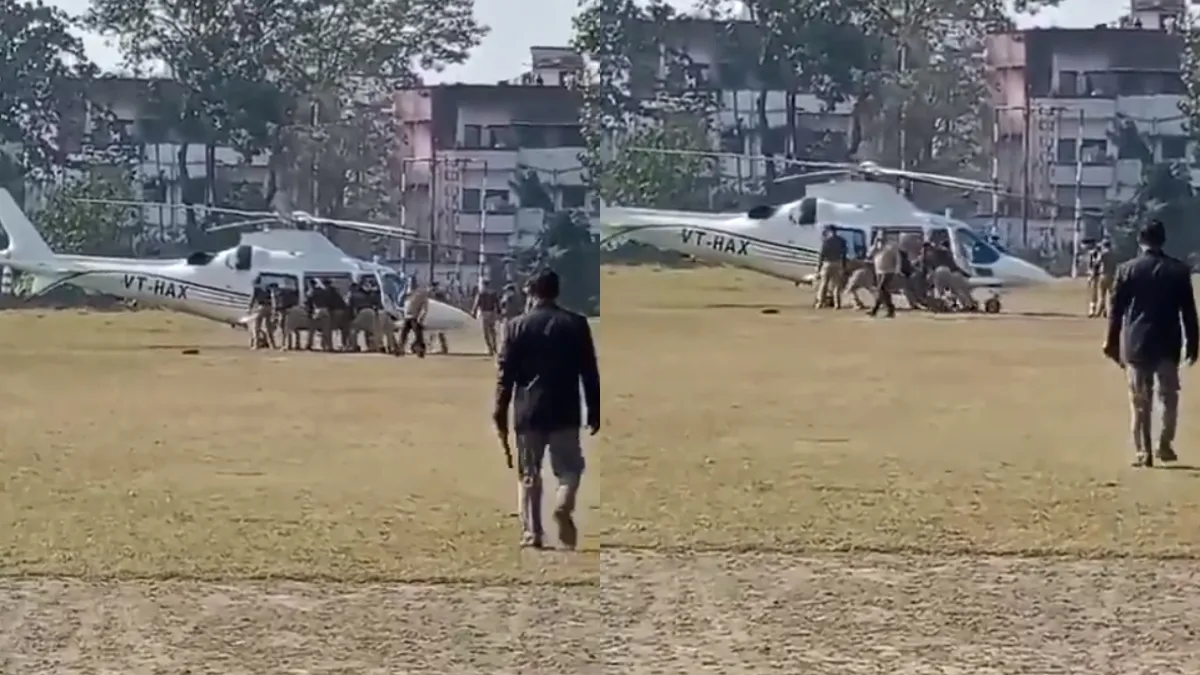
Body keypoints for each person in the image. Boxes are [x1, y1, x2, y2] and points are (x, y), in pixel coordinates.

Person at [494, 269, 600, 550]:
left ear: (531, 293)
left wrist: (500, 412)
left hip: (528, 411)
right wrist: (594, 408)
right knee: (570, 468)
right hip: (565, 408)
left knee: (529, 473)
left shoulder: (515, 326)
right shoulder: (576, 323)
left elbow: (505, 375)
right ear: (557, 291)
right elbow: (589, 371)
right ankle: (564, 503)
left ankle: (533, 533)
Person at [1104, 219, 1199, 467]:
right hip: (1168, 342)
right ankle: (1164, 444)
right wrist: (1193, 343)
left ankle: (1142, 451)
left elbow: (1116, 311)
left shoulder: (1126, 270)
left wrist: (1111, 342)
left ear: (1140, 240)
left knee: (1140, 400)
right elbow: (1189, 312)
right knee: (1168, 397)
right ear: (1163, 240)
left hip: (1136, 343)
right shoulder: (1178, 271)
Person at [814, 226, 847, 309]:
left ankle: (820, 302)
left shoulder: (826, 241)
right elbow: (844, 254)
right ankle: (837, 304)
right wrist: (844, 265)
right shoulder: (841, 241)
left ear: (830, 231)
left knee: (824, 283)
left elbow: (822, 255)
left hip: (827, 263)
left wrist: (819, 267)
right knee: (836, 285)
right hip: (838, 263)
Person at [868, 233, 899, 318]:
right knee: (884, 291)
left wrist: (897, 270)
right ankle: (889, 309)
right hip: (878, 271)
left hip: (888, 270)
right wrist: (875, 245)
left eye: (881, 237)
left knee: (881, 288)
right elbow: (869, 254)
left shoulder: (891, 246)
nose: (880, 239)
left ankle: (875, 309)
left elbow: (897, 257)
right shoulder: (876, 247)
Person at [1088, 238, 1117, 318]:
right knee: (1111, 295)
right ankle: (1110, 311)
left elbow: (1097, 262)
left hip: (1103, 275)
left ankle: (1100, 312)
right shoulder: (1114, 254)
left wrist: (1094, 260)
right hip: (1112, 275)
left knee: (1102, 295)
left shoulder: (1103, 254)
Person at [472, 279, 500, 356]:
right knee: (492, 330)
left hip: (484, 313)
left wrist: (474, 312)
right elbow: (497, 303)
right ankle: (494, 346)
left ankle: (490, 348)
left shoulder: (481, 293)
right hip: (492, 312)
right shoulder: (493, 293)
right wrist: (499, 311)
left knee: (486, 332)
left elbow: (476, 304)